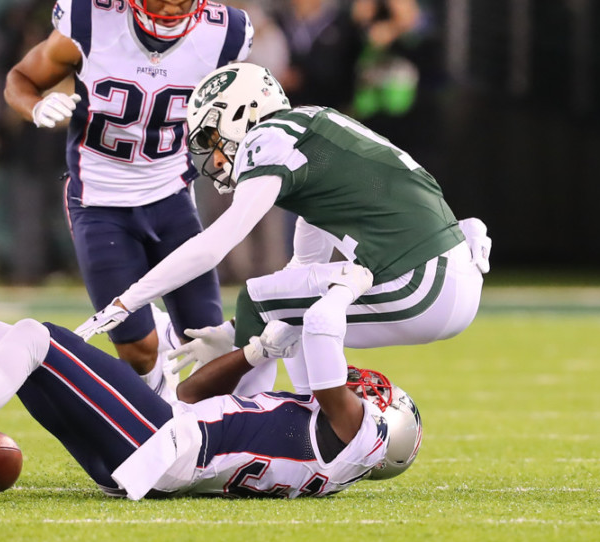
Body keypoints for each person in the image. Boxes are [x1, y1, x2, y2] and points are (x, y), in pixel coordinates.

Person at [76, 62, 491, 406]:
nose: (216, 157)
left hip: (421, 281)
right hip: (447, 274)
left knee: (259, 297)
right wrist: (233, 331)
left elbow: (215, 245)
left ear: (242, 114)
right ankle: (311, 417)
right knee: (282, 309)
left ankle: (254, 423)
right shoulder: (312, 135)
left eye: (213, 137)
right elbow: (301, 273)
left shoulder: (269, 137)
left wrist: (127, 300)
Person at [0, 317, 422, 499]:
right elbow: (193, 396)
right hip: (163, 448)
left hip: (165, 445)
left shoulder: (358, 435)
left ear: (383, 427)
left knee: (34, 337)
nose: (364, 388)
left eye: (378, 397)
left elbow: (323, 337)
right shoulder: (318, 434)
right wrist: (255, 350)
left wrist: (332, 295)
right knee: (6, 331)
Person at [2, 0, 254, 400]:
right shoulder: (89, 21)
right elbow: (20, 78)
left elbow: (234, 109)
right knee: (138, 352)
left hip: (171, 194)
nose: (174, 4)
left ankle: (194, 419)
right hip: (99, 200)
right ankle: (160, 411)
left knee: (206, 339)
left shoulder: (225, 33)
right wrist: (35, 107)